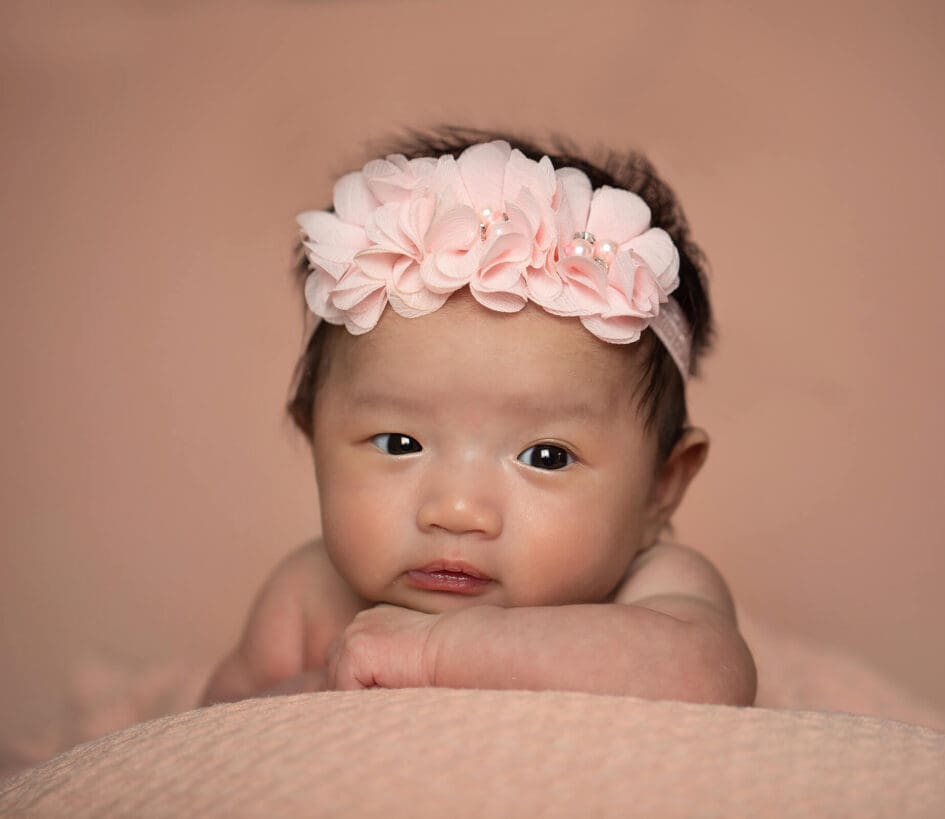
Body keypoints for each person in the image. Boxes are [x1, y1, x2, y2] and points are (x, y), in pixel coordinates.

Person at [201, 127, 757, 706]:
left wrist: (431, 654)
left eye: (546, 456)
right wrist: (319, 686)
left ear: (660, 489)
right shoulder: (309, 595)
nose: (457, 511)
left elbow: (706, 678)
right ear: (313, 439)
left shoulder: (655, 590)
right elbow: (199, 744)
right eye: (398, 443)